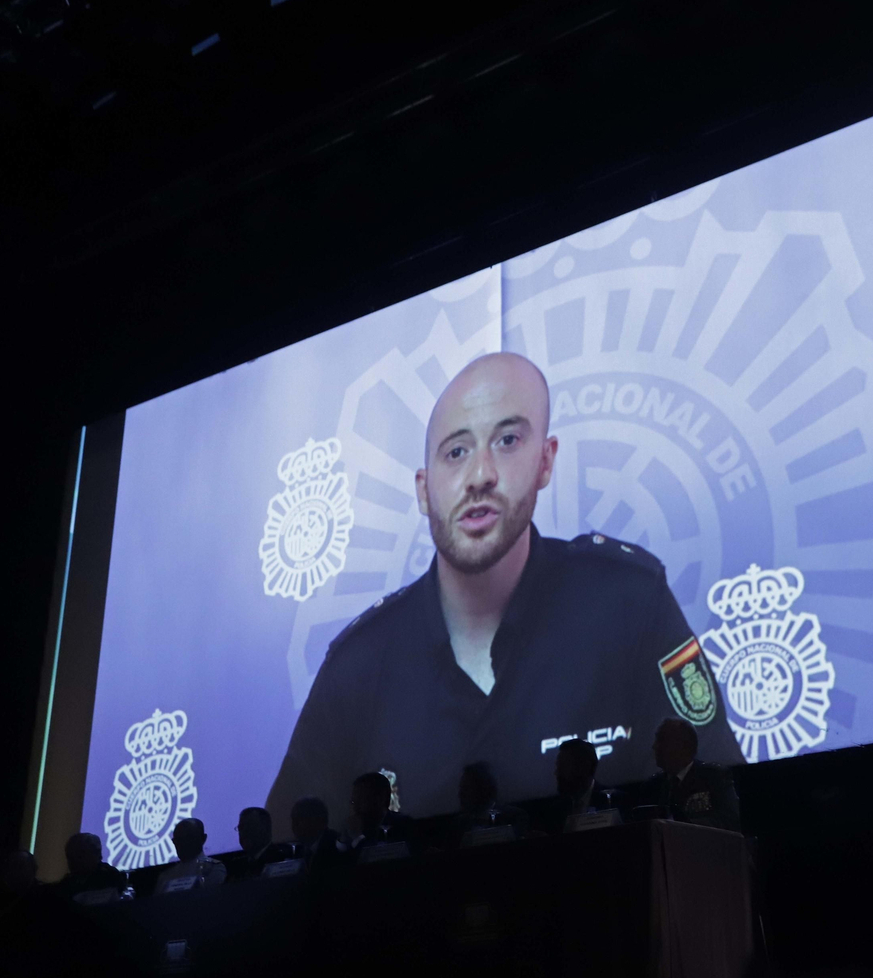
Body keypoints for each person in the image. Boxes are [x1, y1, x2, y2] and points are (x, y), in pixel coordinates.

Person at [267, 352, 743, 829]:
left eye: (508, 440)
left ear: (546, 461)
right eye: (456, 452)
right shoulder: (357, 666)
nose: (480, 475)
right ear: (423, 489)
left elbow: (710, 796)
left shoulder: (628, 603)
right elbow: (285, 857)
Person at [646, 717, 741, 831]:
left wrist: (681, 826)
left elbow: (729, 821)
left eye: (662, 740)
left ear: (684, 745)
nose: (655, 746)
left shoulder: (714, 777)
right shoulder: (652, 787)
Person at [535, 738, 621, 834]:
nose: (556, 773)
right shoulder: (555, 811)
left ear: (584, 767)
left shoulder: (615, 801)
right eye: (558, 767)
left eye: (563, 766)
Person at [152, 818, 226, 892]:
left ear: (202, 839)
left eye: (188, 837)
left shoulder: (213, 868)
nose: (182, 843)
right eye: (178, 839)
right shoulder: (165, 877)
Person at [347, 771, 412, 849]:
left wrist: (357, 838)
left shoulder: (403, 826)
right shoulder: (356, 827)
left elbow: (376, 857)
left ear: (380, 799)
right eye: (353, 802)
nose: (355, 807)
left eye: (361, 800)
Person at [226, 807, 294, 881]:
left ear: (265, 829)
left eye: (249, 827)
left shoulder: (282, 861)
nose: (243, 832)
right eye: (241, 828)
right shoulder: (236, 866)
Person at [57, 832, 125, 897]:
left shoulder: (111, 876)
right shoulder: (66, 884)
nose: (73, 862)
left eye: (80, 856)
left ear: (96, 854)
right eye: (70, 857)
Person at [289, 796, 346, 868]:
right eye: (293, 819)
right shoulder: (300, 850)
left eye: (300, 819)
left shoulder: (337, 847)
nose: (294, 825)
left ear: (317, 820)